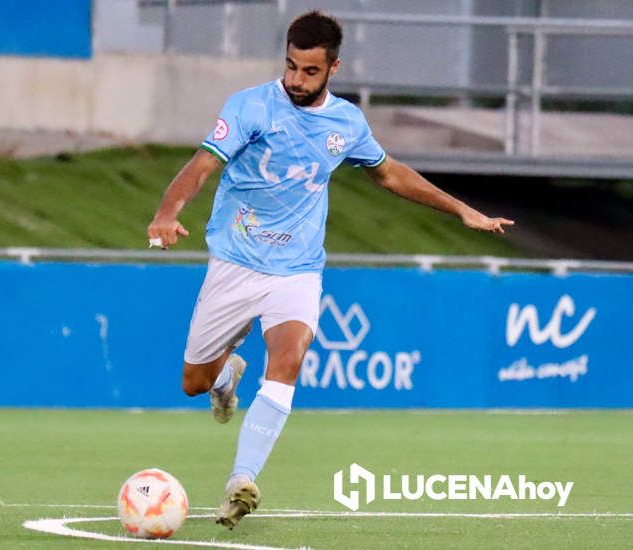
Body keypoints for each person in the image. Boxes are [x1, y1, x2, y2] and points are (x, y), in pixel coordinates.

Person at [146, 11, 514, 530]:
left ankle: (241, 481)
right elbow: (203, 165)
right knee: (193, 381)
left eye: (309, 71)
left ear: (334, 68)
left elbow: (390, 174)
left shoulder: (346, 124)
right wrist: (167, 212)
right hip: (235, 262)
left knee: (290, 357)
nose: (297, 80)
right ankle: (226, 373)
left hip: (297, 269)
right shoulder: (251, 106)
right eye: (291, 67)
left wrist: (460, 209)